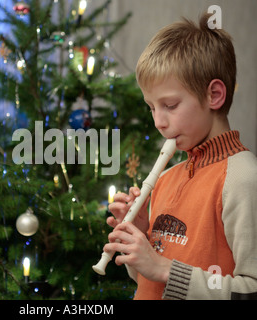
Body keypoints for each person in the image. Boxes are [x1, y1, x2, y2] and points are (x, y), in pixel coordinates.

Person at [105, 13, 257, 300]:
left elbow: (250, 290)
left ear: (213, 95)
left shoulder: (243, 179)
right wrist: (141, 239)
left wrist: (164, 268)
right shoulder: (165, 178)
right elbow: (149, 283)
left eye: (170, 105)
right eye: (151, 107)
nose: (158, 121)